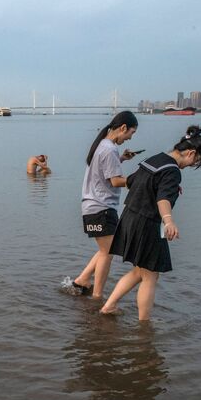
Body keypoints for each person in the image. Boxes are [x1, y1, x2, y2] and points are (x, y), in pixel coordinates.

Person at [100, 126, 201, 320]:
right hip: (147, 223)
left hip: (129, 217)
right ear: (191, 153)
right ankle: (145, 327)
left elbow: (132, 181)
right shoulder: (173, 171)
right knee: (151, 276)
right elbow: (163, 200)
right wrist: (169, 221)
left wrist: (159, 188)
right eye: (195, 161)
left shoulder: (155, 159)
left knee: (139, 271)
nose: (191, 165)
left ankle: (108, 307)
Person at [71, 111, 139, 299]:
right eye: (131, 133)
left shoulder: (102, 145)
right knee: (107, 253)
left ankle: (82, 280)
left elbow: (103, 170)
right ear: (123, 128)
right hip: (101, 208)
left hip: (93, 206)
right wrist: (140, 180)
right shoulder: (109, 149)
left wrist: (122, 159)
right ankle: (98, 297)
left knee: (105, 250)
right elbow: (116, 181)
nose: (129, 138)